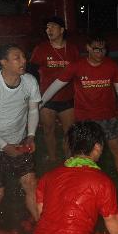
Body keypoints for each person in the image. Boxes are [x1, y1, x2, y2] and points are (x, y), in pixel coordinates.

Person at [41, 33, 118, 188]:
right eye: (96, 49)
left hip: (108, 117)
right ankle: (73, 182)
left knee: (117, 151)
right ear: (88, 48)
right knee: (80, 154)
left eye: (103, 49)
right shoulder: (76, 66)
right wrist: (40, 103)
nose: (100, 53)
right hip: (85, 120)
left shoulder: (112, 66)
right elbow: (57, 84)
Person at [33, 121, 118, 234]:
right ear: (97, 147)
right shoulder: (102, 181)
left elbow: (41, 211)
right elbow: (111, 218)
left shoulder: (49, 176)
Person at [0, 44, 41, 225]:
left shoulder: (29, 81)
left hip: (19, 141)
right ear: (3, 62)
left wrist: (31, 135)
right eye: (17, 57)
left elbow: (33, 110)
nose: (23, 61)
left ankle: (44, 231)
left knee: (31, 185)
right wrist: (4, 146)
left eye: (23, 56)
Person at [29, 16, 79, 162]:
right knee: (48, 130)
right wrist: (33, 94)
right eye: (47, 27)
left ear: (62, 30)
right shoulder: (41, 49)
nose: (48, 30)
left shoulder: (72, 49)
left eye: (52, 27)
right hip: (47, 99)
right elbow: (31, 72)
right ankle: (52, 158)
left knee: (69, 132)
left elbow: (78, 73)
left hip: (67, 98)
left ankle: (68, 158)